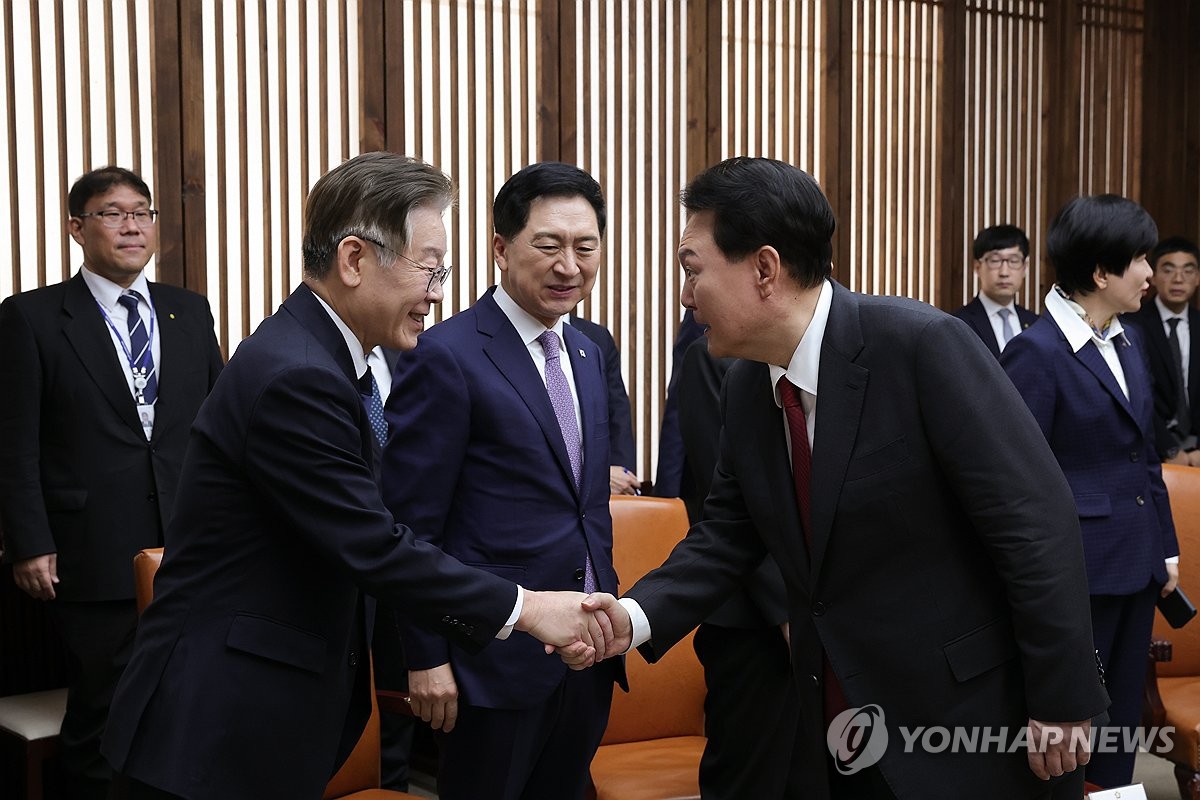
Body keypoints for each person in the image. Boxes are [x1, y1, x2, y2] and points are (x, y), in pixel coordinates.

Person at [578, 157, 1108, 800]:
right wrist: (629, 617)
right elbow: (726, 535)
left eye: (692, 269)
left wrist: (1062, 699)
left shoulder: (919, 346)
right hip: (837, 721)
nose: (685, 294)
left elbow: (1035, 524)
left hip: (966, 717)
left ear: (764, 269)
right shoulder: (748, 383)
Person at [100, 152, 609, 800]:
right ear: (354, 260)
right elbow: (374, 542)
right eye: (428, 266)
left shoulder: (331, 360)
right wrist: (528, 607)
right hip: (214, 724)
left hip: (257, 712)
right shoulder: (298, 377)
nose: (437, 290)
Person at [382, 162, 625, 800]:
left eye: (585, 247)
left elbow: (584, 506)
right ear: (500, 248)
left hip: (587, 651)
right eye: (548, 246)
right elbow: (408, 526)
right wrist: (426, 656)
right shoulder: (447, 356)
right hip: (490, 659)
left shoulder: (589, 351)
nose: (568, 266)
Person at [0, 166, 224, 799]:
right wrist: (29, 541)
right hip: (90, 550)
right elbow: (14, 443)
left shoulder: (189, 310)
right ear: (77, 228)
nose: (132, 225)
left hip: (189, 547)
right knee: (105, 706)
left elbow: (215, 427)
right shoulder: (32, 318)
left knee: (186, 700)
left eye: (142, 212)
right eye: (111, 212)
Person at [1001, 194, 1179, 788]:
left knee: (1120, 728)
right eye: (1140, 259)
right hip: (1075, 571)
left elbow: (1144, 455)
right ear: (1101, 272)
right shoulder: (1037, 351)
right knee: (1069, 729)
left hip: (1137, 563)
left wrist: (1167, 548)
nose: (1151, 273)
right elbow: (1018, 480)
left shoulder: (1126, 339)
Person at [676, 335, 804, 799]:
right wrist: (787, 612)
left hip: (827, 614)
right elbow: (733, 506)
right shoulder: (713, 357)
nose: (688, 296)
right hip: (754, 616)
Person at [1122, 236, 1200, 465]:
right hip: (1151, 448)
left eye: (1188, 270)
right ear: (1153, 276)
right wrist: (1171, 450)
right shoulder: (1132, 325)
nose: (1178, 279)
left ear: (1197, 278)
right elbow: (1137, 395)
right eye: (1168, 270)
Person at [568, 313, 641, 494]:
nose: (565, 282)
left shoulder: (596, 337)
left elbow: (617, 413)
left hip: (605, 497)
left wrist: (623, 476)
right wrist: (597, 477)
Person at [952, 224, 1039, 357]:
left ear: (1025, 267)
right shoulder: (959, 324)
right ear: (977, 267)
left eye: (1014, 261)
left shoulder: (1036, 323)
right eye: (995, 260)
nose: (1004, 272)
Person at [653, 309, 705, 497]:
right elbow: (681, 399)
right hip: (709, 479)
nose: (686, 297)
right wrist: (667, 494)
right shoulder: (703, 306)